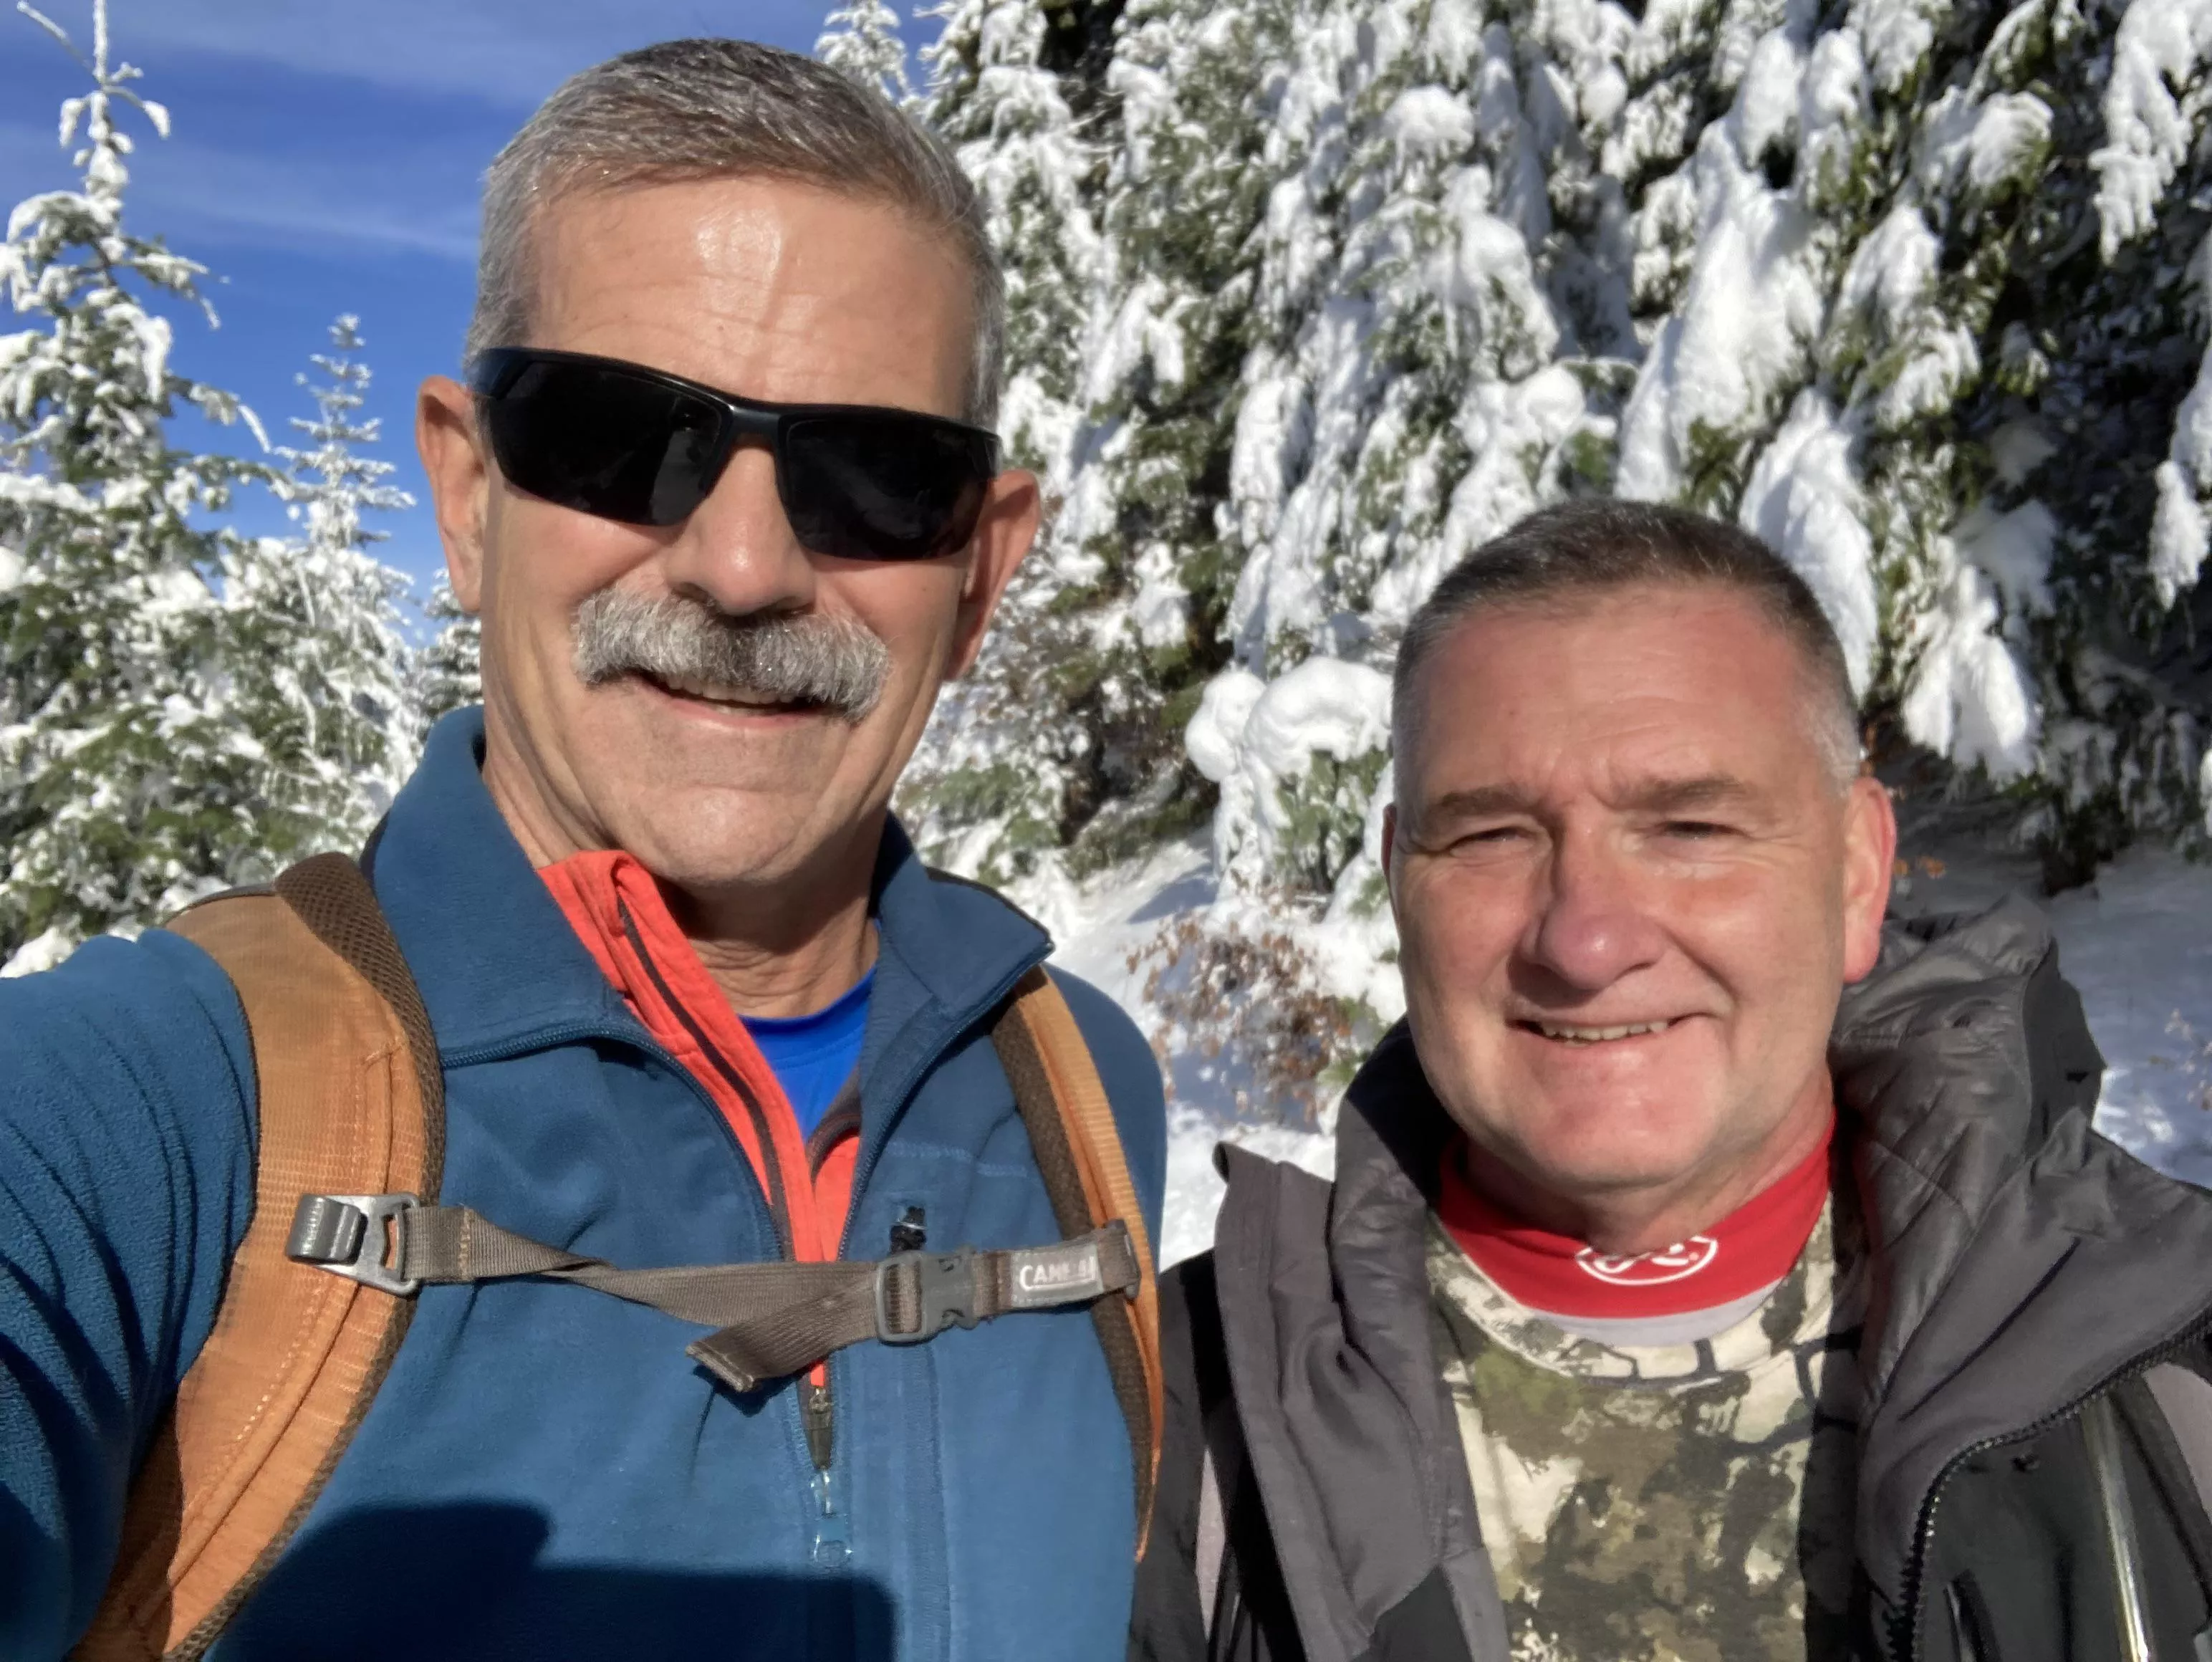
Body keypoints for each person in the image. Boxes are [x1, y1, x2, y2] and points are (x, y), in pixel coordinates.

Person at [0, 40, 1165, 1662]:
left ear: (980, 570)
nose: (743, 567)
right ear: (468, 497)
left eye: (871, 475)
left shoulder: (1080, 1091)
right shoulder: (171, 1108)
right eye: (622, 439)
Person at [1131, 499, 2212, 1662]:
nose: (1585, 940)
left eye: (1691, 826)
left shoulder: (2161, 1361)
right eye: (1490, 836)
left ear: (1858, 874)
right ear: (1401, 883)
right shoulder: (1165, 1428)